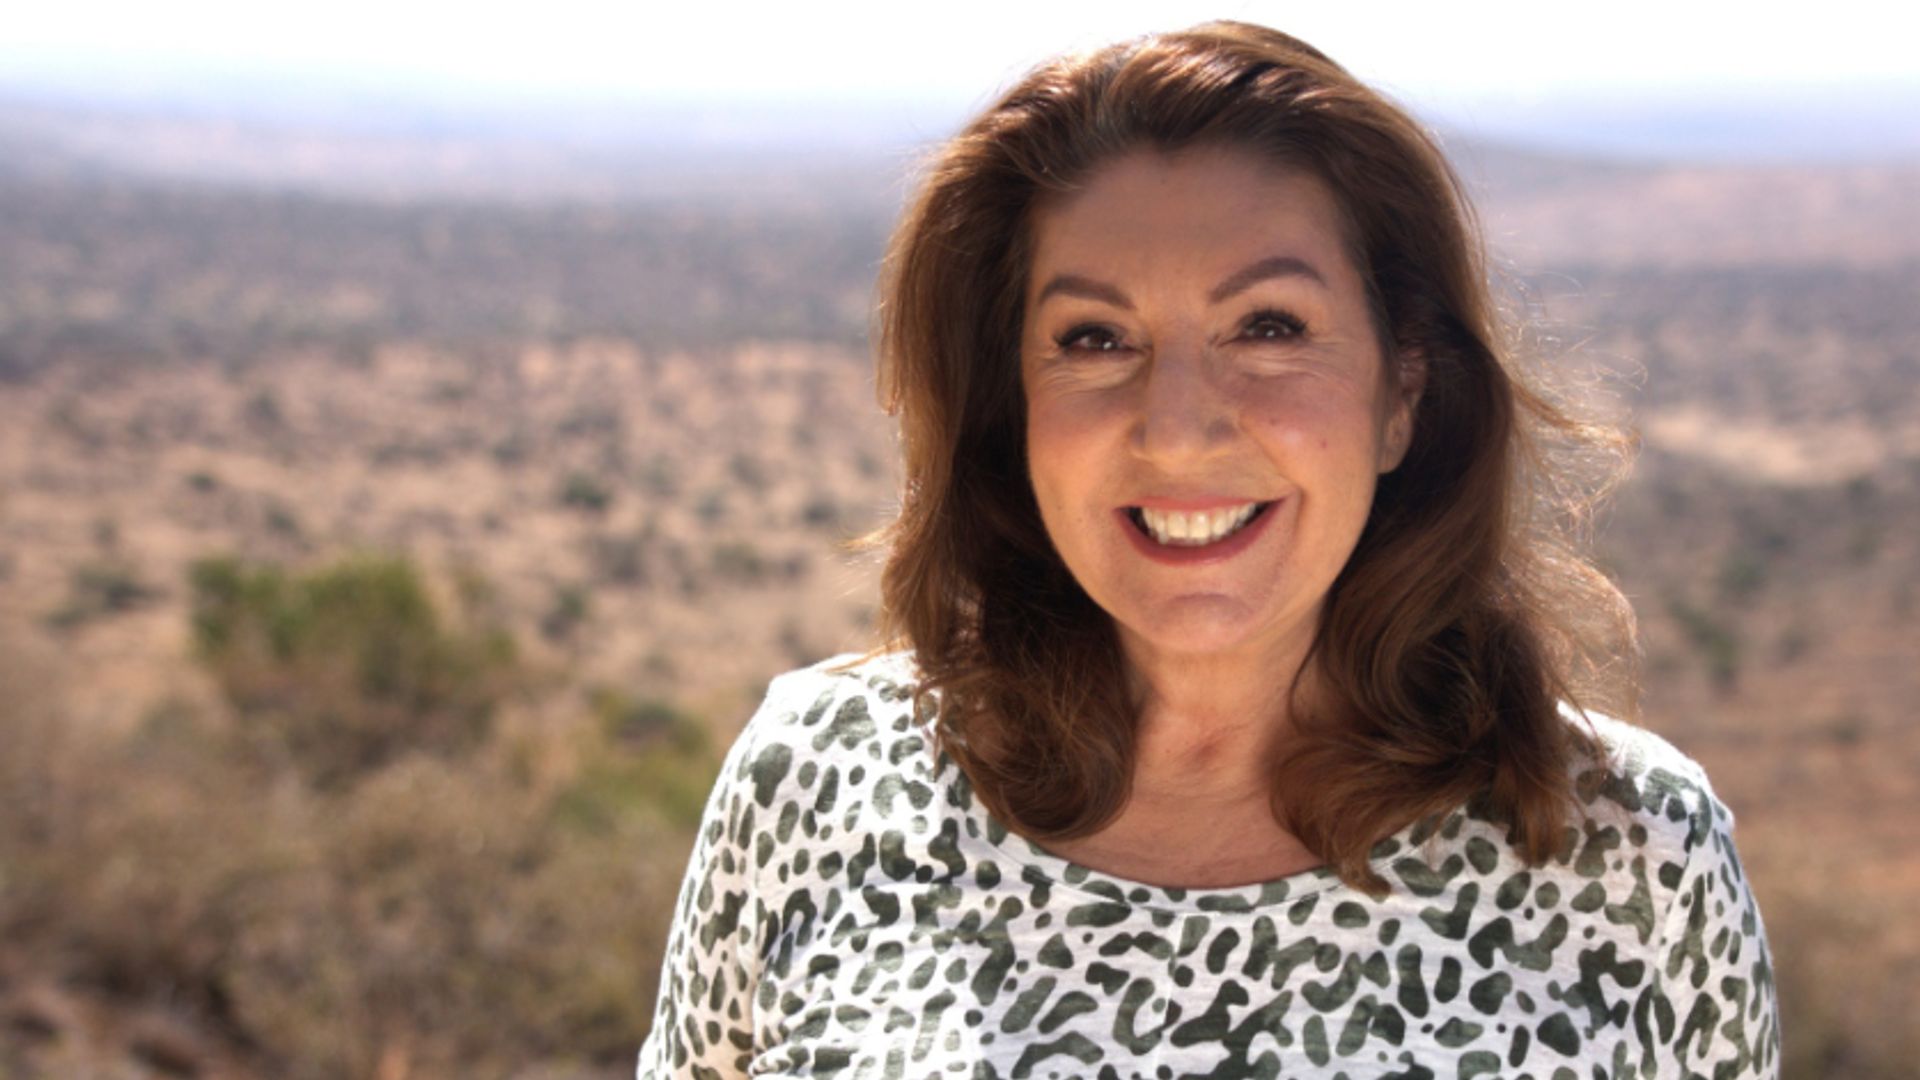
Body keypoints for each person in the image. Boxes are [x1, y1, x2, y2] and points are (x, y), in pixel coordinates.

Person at [636, 21, 1779, 1079]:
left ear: (1403, 391)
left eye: (1269, 327)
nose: (1178, 426)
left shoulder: (1634, 857)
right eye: (1094, 338)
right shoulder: (818, 780)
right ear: (1011, 408)